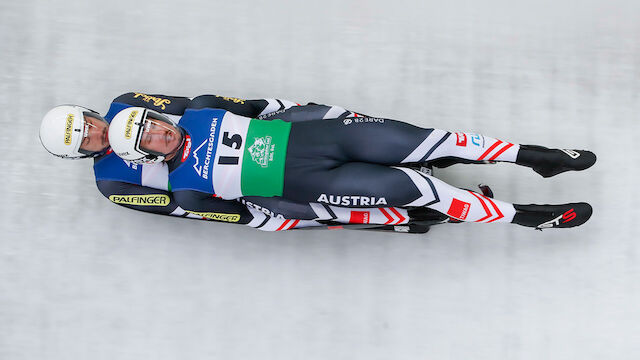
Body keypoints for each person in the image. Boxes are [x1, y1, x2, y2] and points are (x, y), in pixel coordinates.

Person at [107, 102, 597, 230]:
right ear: (144, 155)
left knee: (435, 141)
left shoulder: (201, 111)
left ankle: (538, 158)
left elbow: (273, 104)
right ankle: (530, 217)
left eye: (153, 121)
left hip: (323, 136)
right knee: (422, 191)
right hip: (316, 180)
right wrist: (309, 217)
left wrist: (330, 112)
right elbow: (250, 216)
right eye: (149, 137)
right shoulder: (186, 185)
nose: (160, 131)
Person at [39, 93, 441, 232]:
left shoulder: (126, 103)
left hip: (245, 140)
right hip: (229, 189)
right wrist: (244, 212)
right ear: (81, 155)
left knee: (324, 123)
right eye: (86, 139)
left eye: (89, 123)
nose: (95, 132)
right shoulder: (111, 184)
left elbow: (187, 107)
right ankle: (405, 211)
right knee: (307, 206)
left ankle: (399, 151)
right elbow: (178, 208)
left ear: (91, 112)